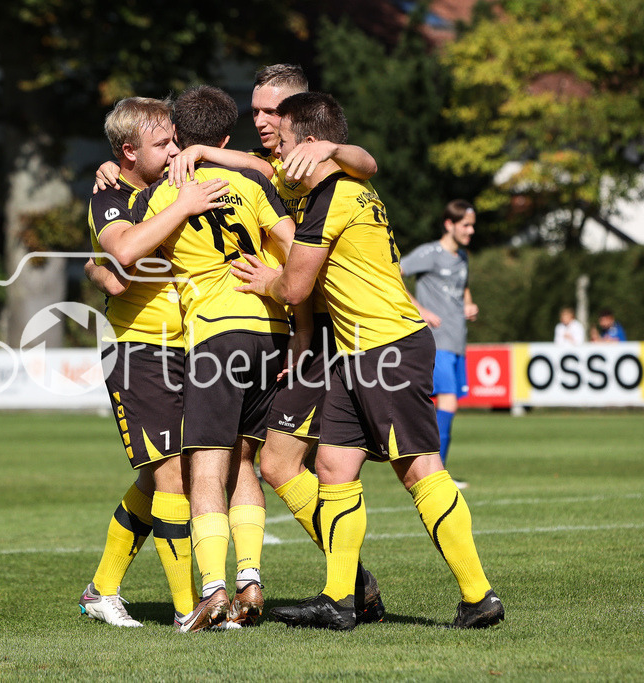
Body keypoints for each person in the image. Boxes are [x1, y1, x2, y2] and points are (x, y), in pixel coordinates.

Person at [232, 92, 503, 631]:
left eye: (285, 143)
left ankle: (479, 597)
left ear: (312, 146)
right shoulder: (339, 183)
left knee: (419, 468)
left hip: (388, 348)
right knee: (333, 466)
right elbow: (263, 167)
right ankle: (338, 600)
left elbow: (296, 283)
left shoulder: (333, 198)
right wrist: (196, 152)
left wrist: (267, 280)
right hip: (356, 354)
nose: (278, 154)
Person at [131, 85, 297, 632]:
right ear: (225, 137)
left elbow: (125, 252)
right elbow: (296, 246)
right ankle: (250, 581)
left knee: (206, 466)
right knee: (245, 462)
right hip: (270, 331)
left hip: (216, 336)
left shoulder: (163, 193)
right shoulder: (251, 182)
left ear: (176, 134)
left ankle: (213, 590)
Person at [79, 96, 231, 627]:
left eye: (174, 141)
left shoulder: (171, 182)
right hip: (137, 350)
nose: (174, 151)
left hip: (190, 348)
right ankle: (191, 610)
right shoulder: (109, 195)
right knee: (169, 479)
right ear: (127, 152)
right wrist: (184, 206)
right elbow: (120, 258)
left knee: (169, 476)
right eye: (162, 144)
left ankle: (101, 589)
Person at [398, 200, 479, 481]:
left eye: (472, 225)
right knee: (447, 402)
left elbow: (464, 287)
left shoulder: (463, 257)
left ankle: (435, 471)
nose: (471, 230)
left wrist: (469, 304)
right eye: (466, 225)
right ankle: (437, 475)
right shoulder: (430, 253)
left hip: (457, 341)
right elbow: (393, 274)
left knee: (448, 404)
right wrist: (419, 309)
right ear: (449, 224)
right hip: (437, 342)